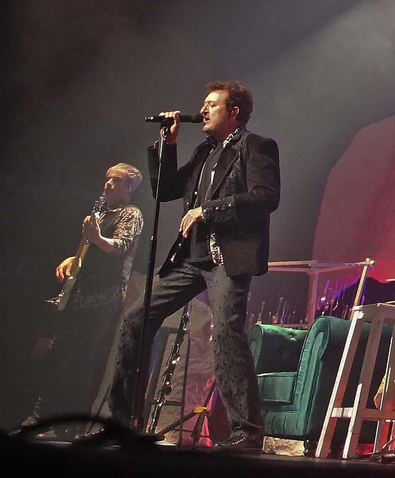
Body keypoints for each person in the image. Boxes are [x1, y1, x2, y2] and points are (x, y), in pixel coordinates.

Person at [106, 81, 280, 449]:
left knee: (228, 336)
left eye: (211, 104)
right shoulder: (204, 152)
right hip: (189, 258)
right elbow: (166, 189)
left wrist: (208, 210)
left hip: (225, 257)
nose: (202, 109)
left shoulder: (256, 146)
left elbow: (266, 197)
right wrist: (169, 144)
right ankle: (123, 423)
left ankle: (247, 432)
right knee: (136, 319)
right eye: (203, 104)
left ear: (233, 112)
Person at [26, 164, 145, 428]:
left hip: (104, 297)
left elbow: (119, 247)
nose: (109, 184)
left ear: (129, 188)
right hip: (78, 294)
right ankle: (40, 415)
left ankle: (71, 423)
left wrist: (98, 237)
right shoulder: (100, 210)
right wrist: (74, 258)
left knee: (81, 359)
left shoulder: (131, 213)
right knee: (57, 354)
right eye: (108, 179)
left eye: (116, 181)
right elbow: (89, 249)